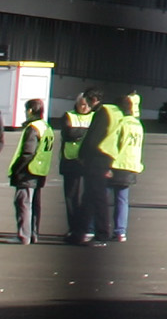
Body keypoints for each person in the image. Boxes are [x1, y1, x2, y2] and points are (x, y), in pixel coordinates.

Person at [92, 93, 145, 242]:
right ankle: (120, 231)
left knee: (102, 197)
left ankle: (94, 228)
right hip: (131, 165)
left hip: (116, 165)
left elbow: (111, 145)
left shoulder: (121, 123)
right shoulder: (137, 124)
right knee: (122, 200)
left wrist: (104, 162)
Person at [56, 92, 102, 240]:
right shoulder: (69, 115)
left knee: (88, 195)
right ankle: (73, 227)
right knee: (71, 196)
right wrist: (87, 133)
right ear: (76, 104)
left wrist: (79, 132)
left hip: (88, 160)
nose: (85, 107)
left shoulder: (95, 116)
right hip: (71, 160)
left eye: (87, 105)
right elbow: (68, 133)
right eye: (82, 104)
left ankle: (87, 227)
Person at [8, 97, 54, 244]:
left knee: (23, 203)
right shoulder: (46, 126)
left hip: (28, 171)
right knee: (34, 204)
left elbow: (28, 152)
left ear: (30, 110)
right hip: (40, 170)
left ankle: (23, 235)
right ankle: (33, 234)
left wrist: (17, 169)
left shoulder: (33, 128)